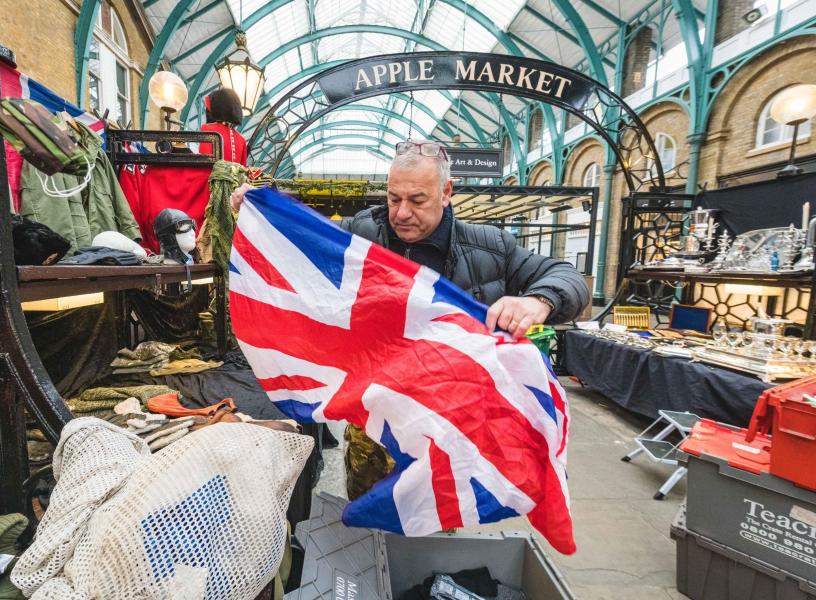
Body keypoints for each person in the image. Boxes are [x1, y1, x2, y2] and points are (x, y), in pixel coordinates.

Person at [230, 139, 590, 499]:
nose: (401, 213)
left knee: (434, 526)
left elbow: (566, 277)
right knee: (368, 517)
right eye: (393, 198)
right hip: (372, 427)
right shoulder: (361, 234)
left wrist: (540, 300)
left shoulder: (490, 248)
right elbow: (303, 238)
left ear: (446, 192)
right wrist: (259, 209)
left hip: (446, 428)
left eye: (417, 200)